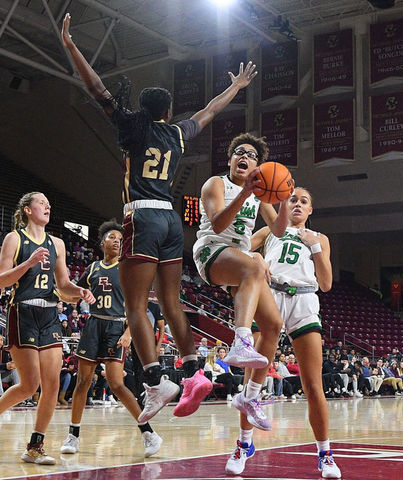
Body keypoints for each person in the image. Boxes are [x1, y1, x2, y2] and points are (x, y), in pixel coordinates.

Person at [62, 14, 257, 422]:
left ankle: (155, 381)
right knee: (171, 302)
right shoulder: (177, 133)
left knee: (136, 305)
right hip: (170, 220)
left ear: (144, 108)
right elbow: (209, 110)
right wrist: (236, 87)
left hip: (142, 217)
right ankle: (193, 371)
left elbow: (96, 88)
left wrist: (72, 46)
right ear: (168, 111)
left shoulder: (132, 127)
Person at [225, 187, 341, 478]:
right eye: (293, 200)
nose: (298, 204)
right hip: (271, 295)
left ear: (310, 210)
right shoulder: (269, 231)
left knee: (313, 385)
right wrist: (256, 259)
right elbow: (238, 252)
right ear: (284, 206)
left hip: (304, 300)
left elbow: (326, 283)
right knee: (251, 378)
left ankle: (325, 454)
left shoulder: (320, 238)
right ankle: (243, 444)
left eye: (304, 201)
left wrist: (315, 247)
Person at [193, 132, 289, 428]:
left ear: (257, 166)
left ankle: (249, 396)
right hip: (211, 250)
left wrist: (284, 199)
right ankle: (242, 339)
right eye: (240, 152)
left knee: (273, 326)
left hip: (241, 261)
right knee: (255, 263)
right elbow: (218, 223)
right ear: (230, 159)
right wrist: (245, 193)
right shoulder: (216, 183)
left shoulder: (259, 194)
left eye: (251, 155)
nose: (245, 157)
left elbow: (279, 230)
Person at [0, 192, 95, 464]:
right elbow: (2, 280)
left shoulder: (57, 243)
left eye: (48, 203)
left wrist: (80, 292)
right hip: (24, 312)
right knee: (29, 385)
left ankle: (35, 446)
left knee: (51, 386)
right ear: (28, 209)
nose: (47, 206)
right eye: (41, 202)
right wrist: (28, 263)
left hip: (50, 314)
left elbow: (63, 286)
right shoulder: (15, 239)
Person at [60, 221, 162, 458]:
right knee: (83, 381)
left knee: (116, 384)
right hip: (94, 324)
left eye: (120, 239)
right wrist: (64, 291)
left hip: (117, 326)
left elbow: (137, 306)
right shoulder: (93, 268)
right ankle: (73, 435)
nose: (117, 241)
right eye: (112, 237)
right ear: (102, 242)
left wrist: (128, 333)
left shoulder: (127, 269)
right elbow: (72, 294)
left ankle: (149, 433)